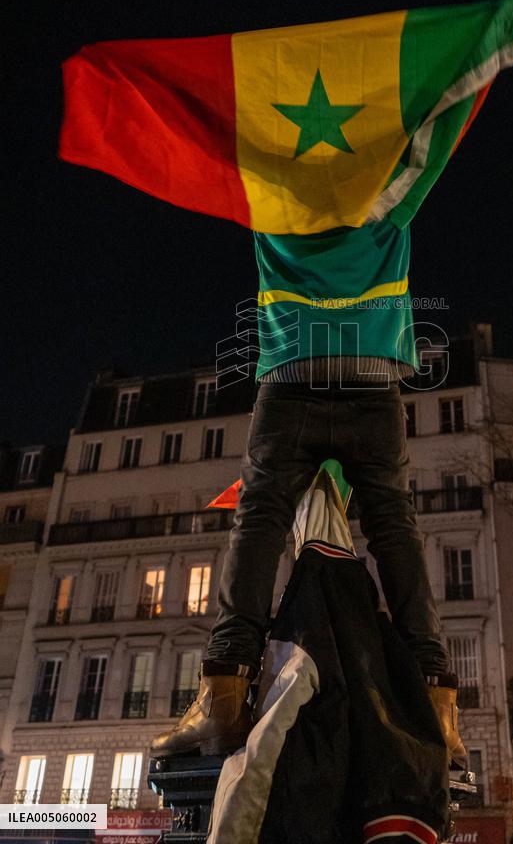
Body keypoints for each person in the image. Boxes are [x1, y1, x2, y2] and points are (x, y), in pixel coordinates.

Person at [151, 217, 466, 761]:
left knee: (259, 520)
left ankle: (224, 699)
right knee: (394, 526)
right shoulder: (392, 182)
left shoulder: (274, 184)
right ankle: (438, 704)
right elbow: (432, 138)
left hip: (290, 371)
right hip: (374, 374)